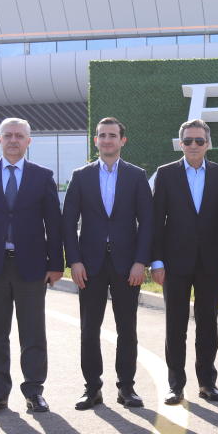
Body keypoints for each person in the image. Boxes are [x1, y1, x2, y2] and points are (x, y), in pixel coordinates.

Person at [0, 118, 65, 415]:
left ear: (28, 141)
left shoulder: (42, 175)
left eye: (19, 136)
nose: (13, 140)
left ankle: (34, 391)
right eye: (7, 135)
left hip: (31, 266)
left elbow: (54, 224)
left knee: (33, 332)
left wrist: (56, 264)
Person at [63, 117, 153, 410]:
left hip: (128, 266)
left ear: (122, 140)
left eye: (112, 135)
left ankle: (126, 388)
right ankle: (92, 389)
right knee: (89, 330)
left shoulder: (137, 176)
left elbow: (148, 223)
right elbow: (68, 223)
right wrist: (74, 261)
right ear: (96, 141)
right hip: (89, 266)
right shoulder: (80, 176)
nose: (107, 140)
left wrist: (141, 262)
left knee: (127, 329)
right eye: (102, 135)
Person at [150, 119, 218, 405]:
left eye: (199, 141)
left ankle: (208, 383)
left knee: (208, 324)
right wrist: (156, 261)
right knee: (176, 325)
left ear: (208, 143)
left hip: (211, 261)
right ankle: (176, 385)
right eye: (188, 141)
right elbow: (156, 222)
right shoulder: (166, 174)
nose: (193, 146)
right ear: (180, 144)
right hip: (174, 263)